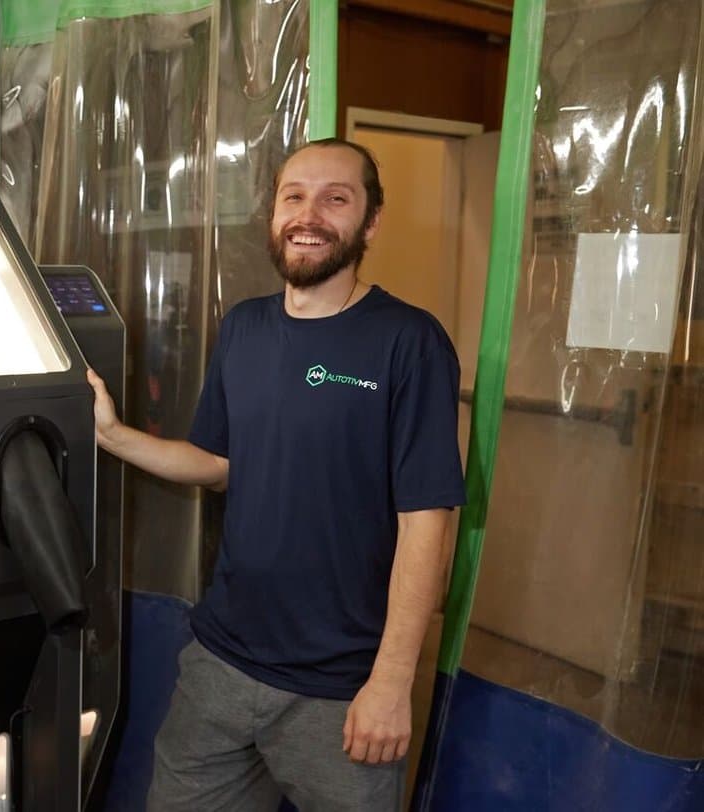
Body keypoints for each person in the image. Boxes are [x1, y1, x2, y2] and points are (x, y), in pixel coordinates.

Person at [88, 138, 466, 811]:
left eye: (335, 198)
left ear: (370, 222)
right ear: (273, 214)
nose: (309, 214)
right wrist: (113, 435)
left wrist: (391, 681)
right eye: (294, 196)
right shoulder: (244, 328)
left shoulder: (409, 342)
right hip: (221, 668)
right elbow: (218, 465)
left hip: (342, 693)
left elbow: (427, 523)